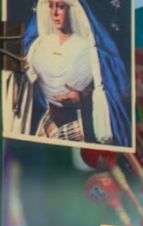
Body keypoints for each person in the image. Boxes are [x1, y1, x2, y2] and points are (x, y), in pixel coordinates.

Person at [9, 0, 130, 145]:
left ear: (72, 10)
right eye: (51, 6)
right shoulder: (39, 46)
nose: (54, 13)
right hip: (47, 121)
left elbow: (112, 92)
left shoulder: (90, 51)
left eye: (60, 7)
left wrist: (84, 98)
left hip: (77, 125)